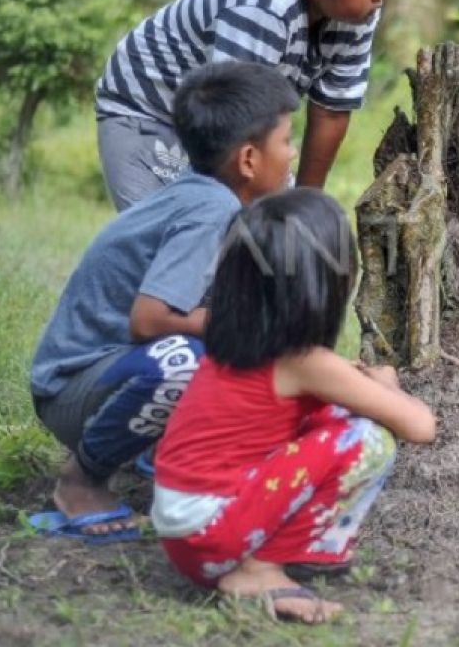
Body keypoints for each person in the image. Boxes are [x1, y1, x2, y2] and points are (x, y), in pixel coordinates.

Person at [28, 61, 300, 542]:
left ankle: (165, 463)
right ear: (249, 160)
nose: (293, 154)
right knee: (186, 359)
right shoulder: (209, 208)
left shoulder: (205, 199)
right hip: (73, 390)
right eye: (286, 141)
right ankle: (82, 481)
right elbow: (149, 320)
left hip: (111, 377)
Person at [151, 188, 436, 624]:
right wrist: (389, 385)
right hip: (211, 534)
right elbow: (421, 426)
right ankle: (258, 572)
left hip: (183, 532)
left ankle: (268, 553)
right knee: (366, 438)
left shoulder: (233, 347)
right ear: (324, 288)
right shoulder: (304, 362)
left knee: (331, 415)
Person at [95, 0, 407, 210]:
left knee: (265, 231)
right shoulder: (262, 10)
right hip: (147, 111)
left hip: (231, 117)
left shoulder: (356, 11)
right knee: (178, 235)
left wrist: (301, 209)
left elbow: (331, 110)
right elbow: (229, 124)